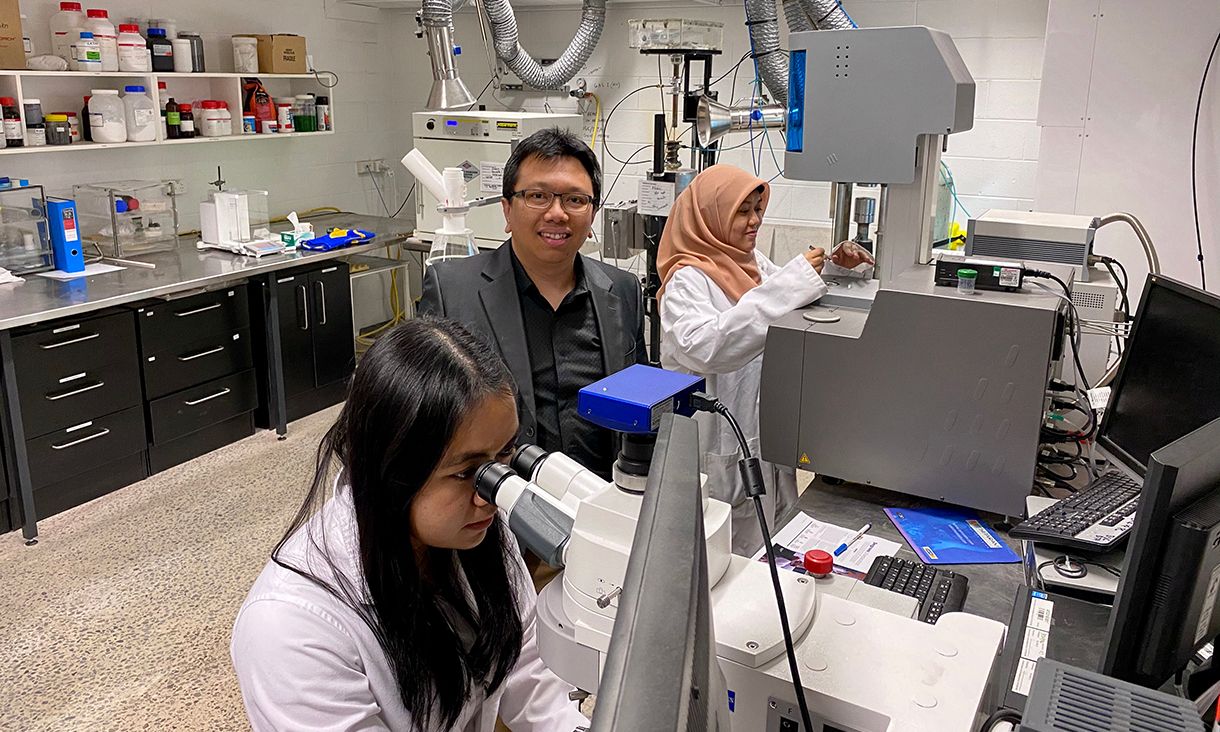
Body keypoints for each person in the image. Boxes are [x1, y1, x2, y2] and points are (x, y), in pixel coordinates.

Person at [231, 318, 588, 732]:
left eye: (504, 455)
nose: (492, 492)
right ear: (391, 469)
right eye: (465, 471)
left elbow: (533, 683)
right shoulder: (291, 629)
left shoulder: (478, 530)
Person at [657, 165, 874, 555]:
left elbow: (789, 299)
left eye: (759, 209)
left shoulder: (750, 261)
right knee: (724, 564)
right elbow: (708, 347)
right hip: (716, 448)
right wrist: (794, 281)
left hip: (761, 438)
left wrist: (838, 268)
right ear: (711, 214)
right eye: (743, 211)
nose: (755, 220)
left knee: (769, 556)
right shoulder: (686, 279)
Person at [419, 127, 646, 480]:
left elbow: (638, 408)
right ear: (507, 211)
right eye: (537, 196)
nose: (557, 213)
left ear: (592, 215)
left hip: (600, 501)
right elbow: (425, 418)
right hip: (496, 507)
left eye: (575, 200)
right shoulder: (452, 291)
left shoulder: (623, 290)